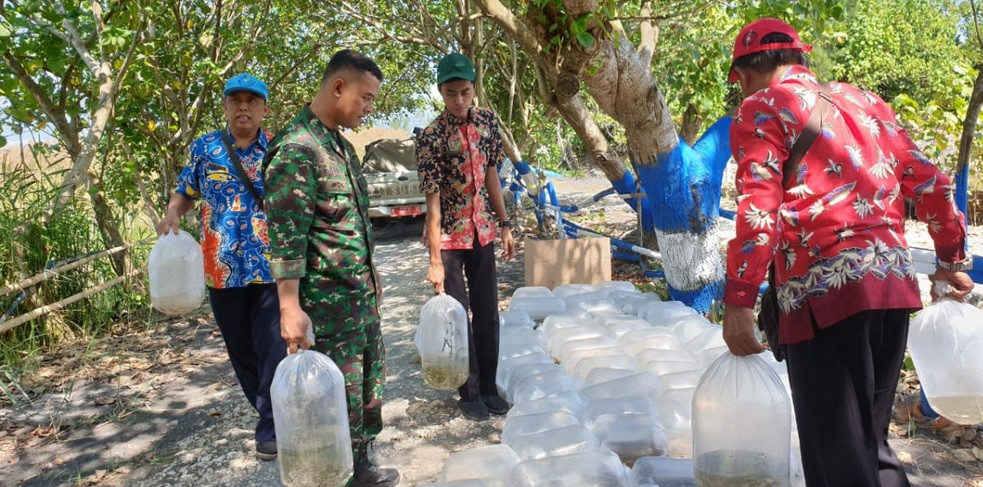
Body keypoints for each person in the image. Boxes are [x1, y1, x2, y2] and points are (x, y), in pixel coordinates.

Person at [720, 18, 974, 487]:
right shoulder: (864, 101)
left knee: (838, 460)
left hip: (825, 298)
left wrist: (738, 300)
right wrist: (948, 262)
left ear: (747, 73)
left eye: (740, 82)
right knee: (869, 447)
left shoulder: (761, 108)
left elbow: (760, 212)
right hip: (892, 288)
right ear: (801, 59)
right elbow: (932, 184)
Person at [262, 50, 399, 487]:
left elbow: (352, 224)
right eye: (366, 97)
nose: (369, 107)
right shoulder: (297, 150)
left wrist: (373, 276)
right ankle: (335, 476)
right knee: (332, 405)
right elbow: (287, 239)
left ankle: (359, 468)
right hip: (325, 308)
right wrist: (289, 309)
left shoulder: (338, 145)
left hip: (358, 299)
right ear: (338, 87)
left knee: (364, 391)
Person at [156, 73, 286, 461]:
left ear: (264, 108)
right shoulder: (206, 148)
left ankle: (271, 425)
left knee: (273, 345)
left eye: (252, 101)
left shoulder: (278, 149)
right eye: (236, 100)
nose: (243, 107)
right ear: (226, 106)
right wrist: (172, 215)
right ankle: (266, 407)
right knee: (241, 348)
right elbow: (185, 193)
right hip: (221, 268)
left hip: (268, 266)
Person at [416, 52, 517, 421]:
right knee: (457, 317)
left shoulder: (488, 122)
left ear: (475, 89)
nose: (459, 100)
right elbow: (433, 202)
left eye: (466, 92)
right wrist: (435, 262)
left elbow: (491, 174)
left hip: (482, 232)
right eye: (451, 93)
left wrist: (505, 224)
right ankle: (469, 391)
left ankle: (489, 387)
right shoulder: (431, 136)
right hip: (449, 240)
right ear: (441, 92)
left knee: (488, 312)